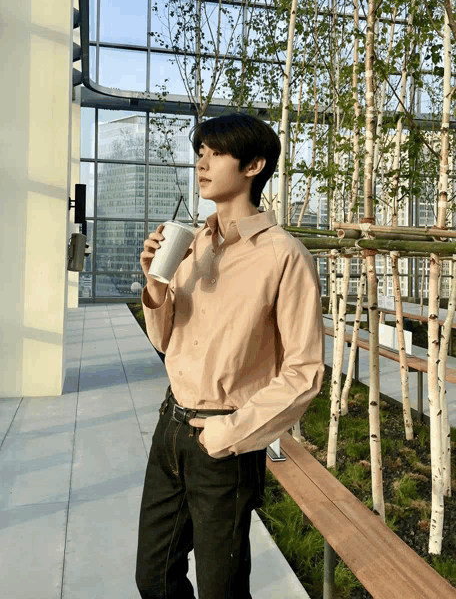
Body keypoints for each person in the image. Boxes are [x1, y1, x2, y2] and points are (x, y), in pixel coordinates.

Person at [136, 112, 325, 599]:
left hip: (225, 442)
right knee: (153, 578)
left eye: (215, 153)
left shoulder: (284, 255)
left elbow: (304, 373)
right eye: (200, 152)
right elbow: (167, 341)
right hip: (170, 429)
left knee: (221, 588)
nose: (201, 162)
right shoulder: (194, 244)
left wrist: (231, 431)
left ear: (254, 164)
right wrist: (157, 284)